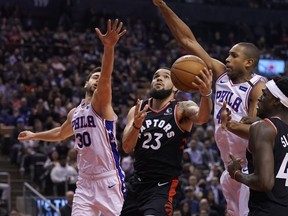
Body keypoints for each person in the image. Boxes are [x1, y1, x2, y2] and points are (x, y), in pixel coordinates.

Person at [152, 1, 267, 215]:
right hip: (229, 168)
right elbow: (187, 41)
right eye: (228, 55)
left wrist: (229, 125)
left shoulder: (258, 87)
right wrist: (162, 6)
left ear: (249, 62)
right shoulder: (221, 74)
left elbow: (256, 132)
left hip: (251, 169)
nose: (227, 58)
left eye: (234, 56)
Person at [18, 19, 127, 216]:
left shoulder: (101, 103)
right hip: (84, 182)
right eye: (93, 77)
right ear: (85, 83)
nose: (97, 79)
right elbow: (60, 133)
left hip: (108, 179)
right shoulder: (74, 113)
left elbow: (105, 77)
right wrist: (34, 135)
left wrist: (109, 48)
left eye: (99, 77)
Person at [120, 66, 213, 215]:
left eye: (165, 76)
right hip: (137, 183)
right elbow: (126, 147)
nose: (159, 78)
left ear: (176, 86)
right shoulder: (137, 109)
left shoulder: (182, 108)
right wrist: (136, 125)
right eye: (156, 75)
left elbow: (202, 118)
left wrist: (206, 94)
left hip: (163, 185)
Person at [227, 77, 288, 216]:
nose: (259, 98)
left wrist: (236, 174)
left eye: (265, 94)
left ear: (276, 102)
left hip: (266, 211)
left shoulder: (264, 128)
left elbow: (264, 183)